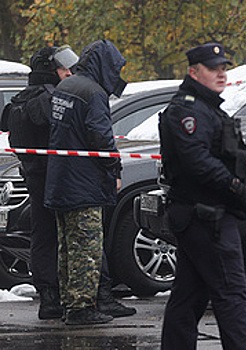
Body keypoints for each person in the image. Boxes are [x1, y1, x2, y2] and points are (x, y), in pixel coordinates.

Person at [159, 42, 246, 349]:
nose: (221, 74)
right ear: (193, 72)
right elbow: (197, 162)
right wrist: (236, 188)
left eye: (224, 68)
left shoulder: (207, 108)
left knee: (189, 297)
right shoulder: (187, 110)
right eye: (213, 69)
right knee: (232, 294)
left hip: (205, 214)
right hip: (206, 214)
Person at [44, 39, 129, 325]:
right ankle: (82, 308)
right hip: (84, 183)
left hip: (61, 179)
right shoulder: (93, 93)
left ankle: (71, 302)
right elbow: (101, 139)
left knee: (67, 247)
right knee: (87, 246)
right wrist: (114, 167)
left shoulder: (66, 87)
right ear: (105, 66)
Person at [0, 45, 78, 320]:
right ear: (48, 70)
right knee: (68, 239)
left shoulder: (22, 99)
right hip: (56, 179)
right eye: (63, 68)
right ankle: (66, 297)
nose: (69, 72)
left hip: (35, 177)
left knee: (43, 238)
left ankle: (49, 297)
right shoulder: (49, 99)